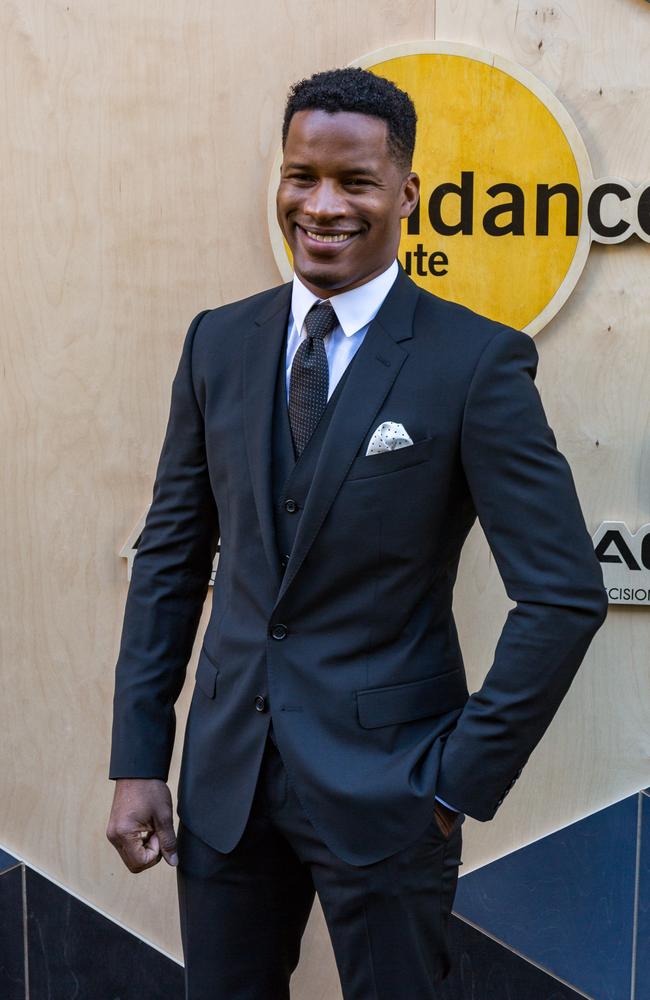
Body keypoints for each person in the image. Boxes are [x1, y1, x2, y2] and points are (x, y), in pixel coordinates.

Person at [106, 67, 608, 999]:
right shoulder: (217, 343)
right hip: (224, 785)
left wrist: (455, 783)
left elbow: (565, 594)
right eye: (302, 176)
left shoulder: (474, 362)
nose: (323, 205)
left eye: (355, 182)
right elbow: (170, 561)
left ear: (407, 195)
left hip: (395, 794)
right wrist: (140, 758)